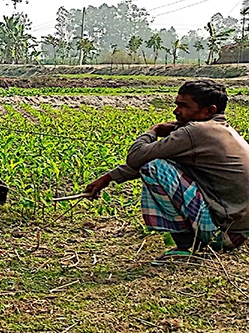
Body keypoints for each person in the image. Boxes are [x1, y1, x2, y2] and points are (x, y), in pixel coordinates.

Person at [84, 79, 249, 263]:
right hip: (239, 232)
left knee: (153, 168)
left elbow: (137, 157)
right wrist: (107, 179)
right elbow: (166, 157)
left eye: (184, 106)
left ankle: (184, 246)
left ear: (209, 111)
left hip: (221, 235)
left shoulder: (195, 132)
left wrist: (152, 131)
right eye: (177, 104)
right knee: (160, 165)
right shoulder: (220, 129)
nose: (176, 111)